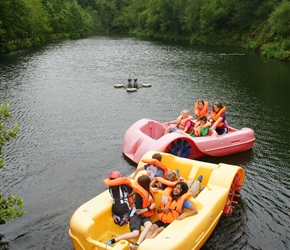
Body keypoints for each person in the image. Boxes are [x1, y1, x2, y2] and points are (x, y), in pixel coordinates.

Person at [106, 175, 156, 250]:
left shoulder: (147, 190)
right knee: (135, 233)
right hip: (136, 215)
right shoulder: (139, 196)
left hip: (144, 216)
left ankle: (136, 244)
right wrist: (150, 208)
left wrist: (153, 189)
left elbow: (149, 191)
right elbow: (138, 212)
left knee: (149, 225)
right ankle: (112, 241)